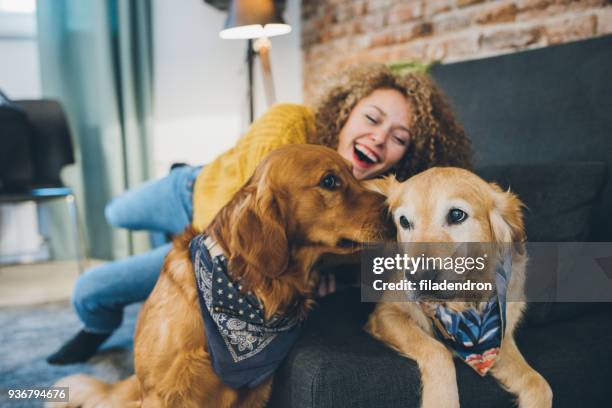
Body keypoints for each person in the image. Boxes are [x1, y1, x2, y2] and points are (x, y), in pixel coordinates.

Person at [47, 63, 472, 365]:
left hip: (216, 244)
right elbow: (237, 225)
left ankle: (94, 327)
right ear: (345, 112)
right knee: (115, 210)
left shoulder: (379, 200)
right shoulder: (289, 124)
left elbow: (364, 257)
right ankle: (175, 180)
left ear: (406, 154)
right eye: (372, 118)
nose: (378, 139)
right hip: (200, 192)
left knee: (92, 289)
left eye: (398, 138)